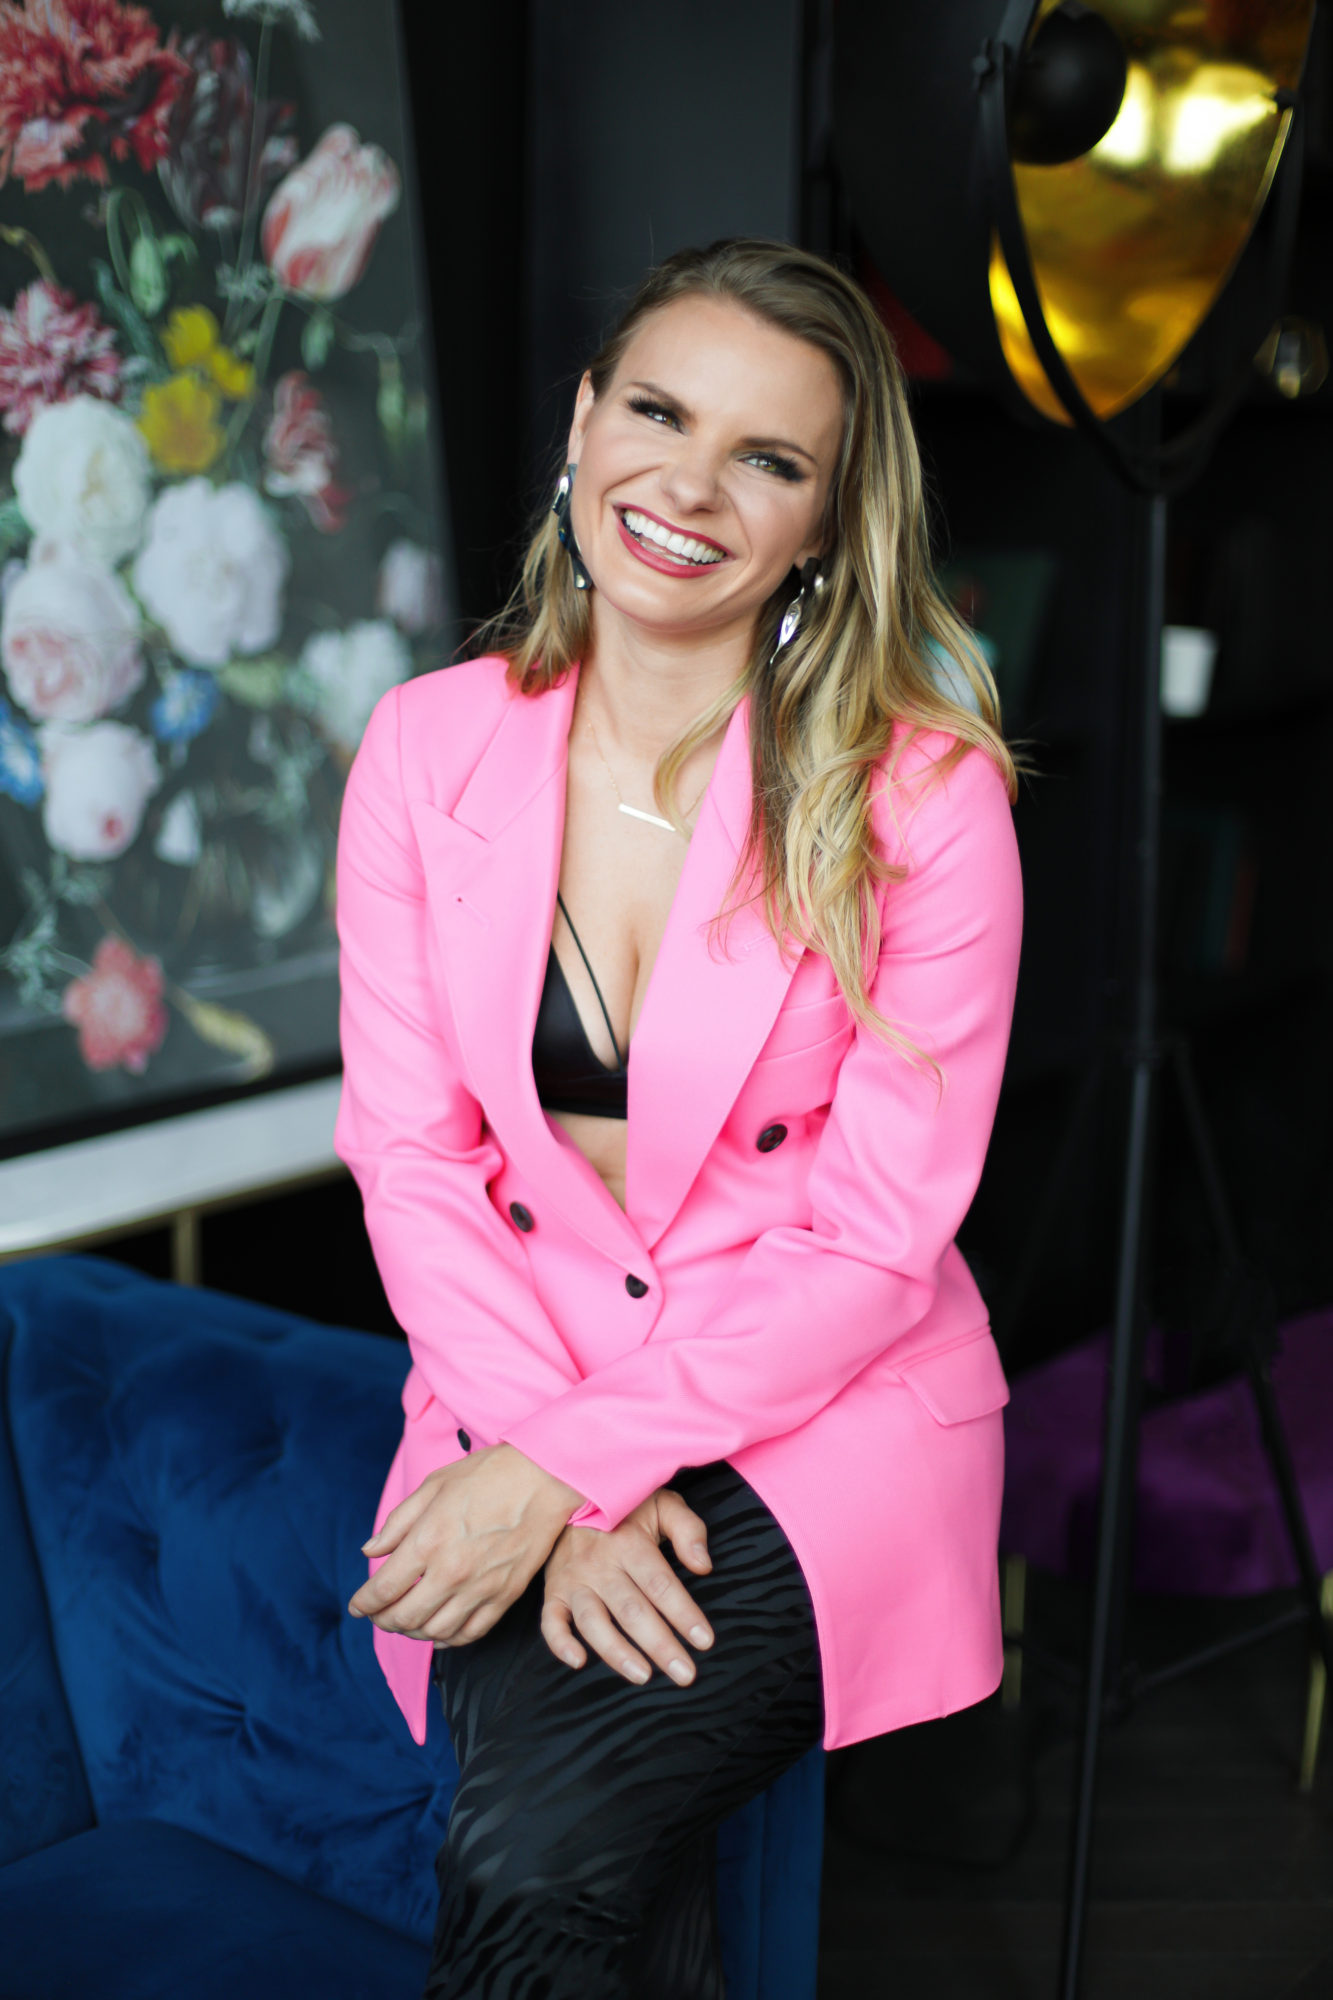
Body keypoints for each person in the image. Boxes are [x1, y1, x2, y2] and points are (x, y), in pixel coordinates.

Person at [333, 236, 1025, 1997]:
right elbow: (411, 1156)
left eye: (766, 459)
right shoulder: (423, 749)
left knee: (532, 1845)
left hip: (819, 1416)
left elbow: (876, 1241)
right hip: (516, 1370)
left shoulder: (921, 799)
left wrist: (568, 1473)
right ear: (583, 421)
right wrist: (546, 1446)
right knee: (584, 1852)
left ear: (825, 522)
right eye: (657, 414)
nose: (689, 488)